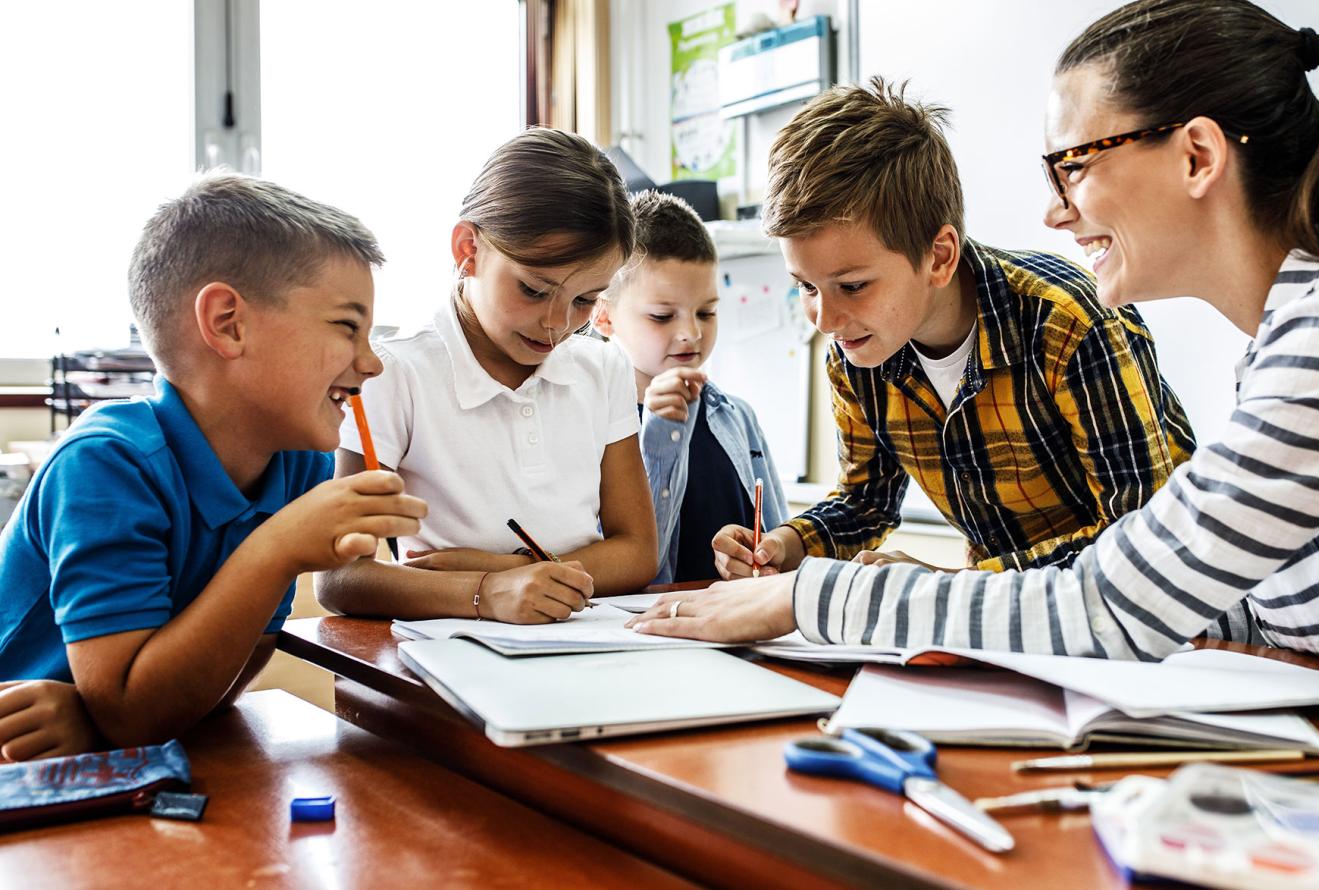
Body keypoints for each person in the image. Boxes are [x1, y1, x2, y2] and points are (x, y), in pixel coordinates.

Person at [634, 0, 1319, 680]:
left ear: (1198, 157)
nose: (1056, 209)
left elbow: (1109, 602)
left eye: (1075, 164)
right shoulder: (1305, 328)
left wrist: (810, 595)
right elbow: (1248, 604)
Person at [0, 174, 425, 755]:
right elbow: (131, 716)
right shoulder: (107, 465)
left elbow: (218, 685)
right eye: (347, 328)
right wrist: (277, 548)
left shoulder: (299, 466)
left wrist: (102, 721)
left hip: (116, 763)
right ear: (228, 323)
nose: (372, 363)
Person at [708, 78, 1194, 582]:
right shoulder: (859, 349)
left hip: (1165, 617)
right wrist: (783, 546)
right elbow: (866, 502)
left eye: (852, 286)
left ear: (939, 257)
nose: (825, 320)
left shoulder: (1066, 322)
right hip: (1005, 614)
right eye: (806, 287)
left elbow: (1141, 536)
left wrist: (949, 586)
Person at [316, 129, 658, 623]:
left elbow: (638, 553)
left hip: (581, 642)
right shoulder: (393, 373)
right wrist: (487, 591)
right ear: (467, 248)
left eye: (585, 300)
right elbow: (341, 577)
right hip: (445, 655)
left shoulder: (603, 366)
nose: (557, 324)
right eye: (534, 290)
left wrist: (508, 570)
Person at [594, 190, 787, 584]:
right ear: (603, 317)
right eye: (663, 316)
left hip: (735, 625)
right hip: (646, 631)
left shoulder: (737, 416)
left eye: (707, 312)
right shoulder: (591, 426)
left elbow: (780, 539)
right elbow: (627, 570)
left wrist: (769, 557)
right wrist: (659, 435)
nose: (692, 333)